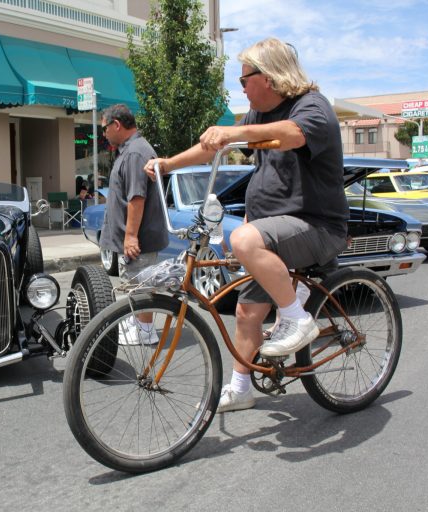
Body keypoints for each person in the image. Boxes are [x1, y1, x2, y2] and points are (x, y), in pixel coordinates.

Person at [144, 38, 349, 411]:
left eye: (243, 80)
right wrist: (168, 164)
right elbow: (214, 148)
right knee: (245, 312)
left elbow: (292, 135)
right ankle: (241, 388)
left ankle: (297, 318)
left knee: (244, 239)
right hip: (272, 231)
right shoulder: (258, 115)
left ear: (268, 77)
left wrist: (233, 133)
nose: (240, 88)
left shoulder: (312, 107)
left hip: (318, 227)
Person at [99, 103, 168, 345]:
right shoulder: (131, 150)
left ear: (116, 125)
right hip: (134, 238)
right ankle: (138, 328)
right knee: (134, 283)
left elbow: (136, 197)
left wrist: (130, 236)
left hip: (139, 239)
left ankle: (144, 332)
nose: (104, 134)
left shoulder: (135, 152)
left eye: (105, 128)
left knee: (140, 284)